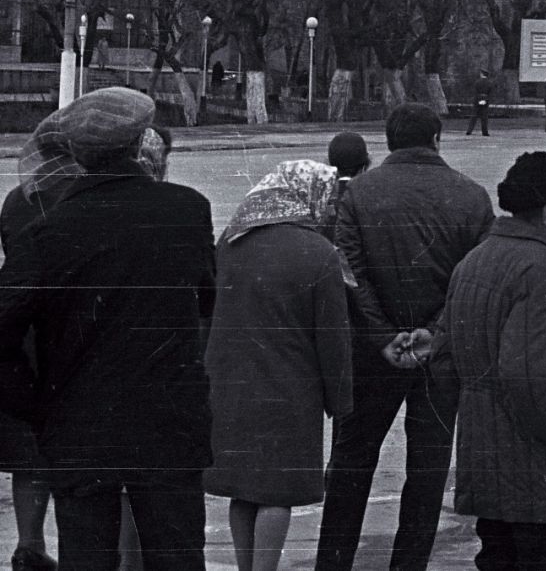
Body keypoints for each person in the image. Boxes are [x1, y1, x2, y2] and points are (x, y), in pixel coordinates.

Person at [0, 88, 215, 571]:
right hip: (168, 422)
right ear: (139, 144)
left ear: (75, 152)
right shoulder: (186, 210)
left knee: (87, 556)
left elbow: (4, 328)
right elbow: (206, 301)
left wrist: (30, 401)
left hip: (78, 428)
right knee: (177, 555)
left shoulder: (46, 230)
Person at [315, 103, 495, 571]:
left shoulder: (358, 195)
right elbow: (472, 282)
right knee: (428, 470)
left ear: (388, 141)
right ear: (437, 138)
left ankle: (332, 564)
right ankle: (407, 565)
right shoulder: (472, 197)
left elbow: (348, 271)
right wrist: (431, 334)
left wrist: (381, 335)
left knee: (351, 464)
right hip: (439, 356)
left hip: (370, 354)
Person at [445, 151, 546, 571]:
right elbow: (534, 378)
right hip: (534, 471)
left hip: (487, 459)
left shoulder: (475, 260)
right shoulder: (540, 269)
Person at [205, 161, 353, 571]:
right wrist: (340, 400)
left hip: (230, 382)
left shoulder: (231, 240)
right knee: (278, 492)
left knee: (242, 487)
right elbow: (333, 337)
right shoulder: (319, 252)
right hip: (290, 389)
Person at [0, 110, 83, 571]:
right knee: (66, 446)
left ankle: (29, 544)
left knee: (28, 454)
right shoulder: (78, 194)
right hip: (64, 332)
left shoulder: (18, 197)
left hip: (21, 336)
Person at [466, 69, 494, 137]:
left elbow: (475, 92)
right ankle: (485, 132)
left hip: (477, 100)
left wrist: (477, 101)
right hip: (485, 100)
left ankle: (469, 131)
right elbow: (490, 93)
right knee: (484, 118)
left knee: (473, 117)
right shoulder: (490, 83)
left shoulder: (477, 82)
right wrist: (486, 100)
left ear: (482, 74)